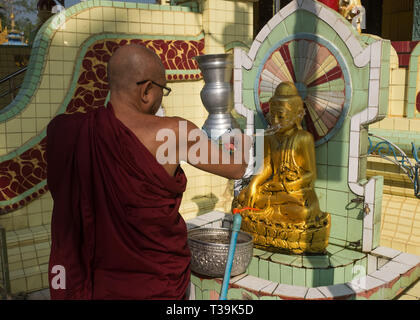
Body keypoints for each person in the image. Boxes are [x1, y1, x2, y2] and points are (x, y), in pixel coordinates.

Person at [46, 44, 251, 300]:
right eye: (163, 90)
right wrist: (240, 139)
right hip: (153, 284)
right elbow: (237, 168)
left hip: (93, 282)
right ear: (146, 91)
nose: (161, 99)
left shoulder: (64, 131)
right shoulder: (175, 133)